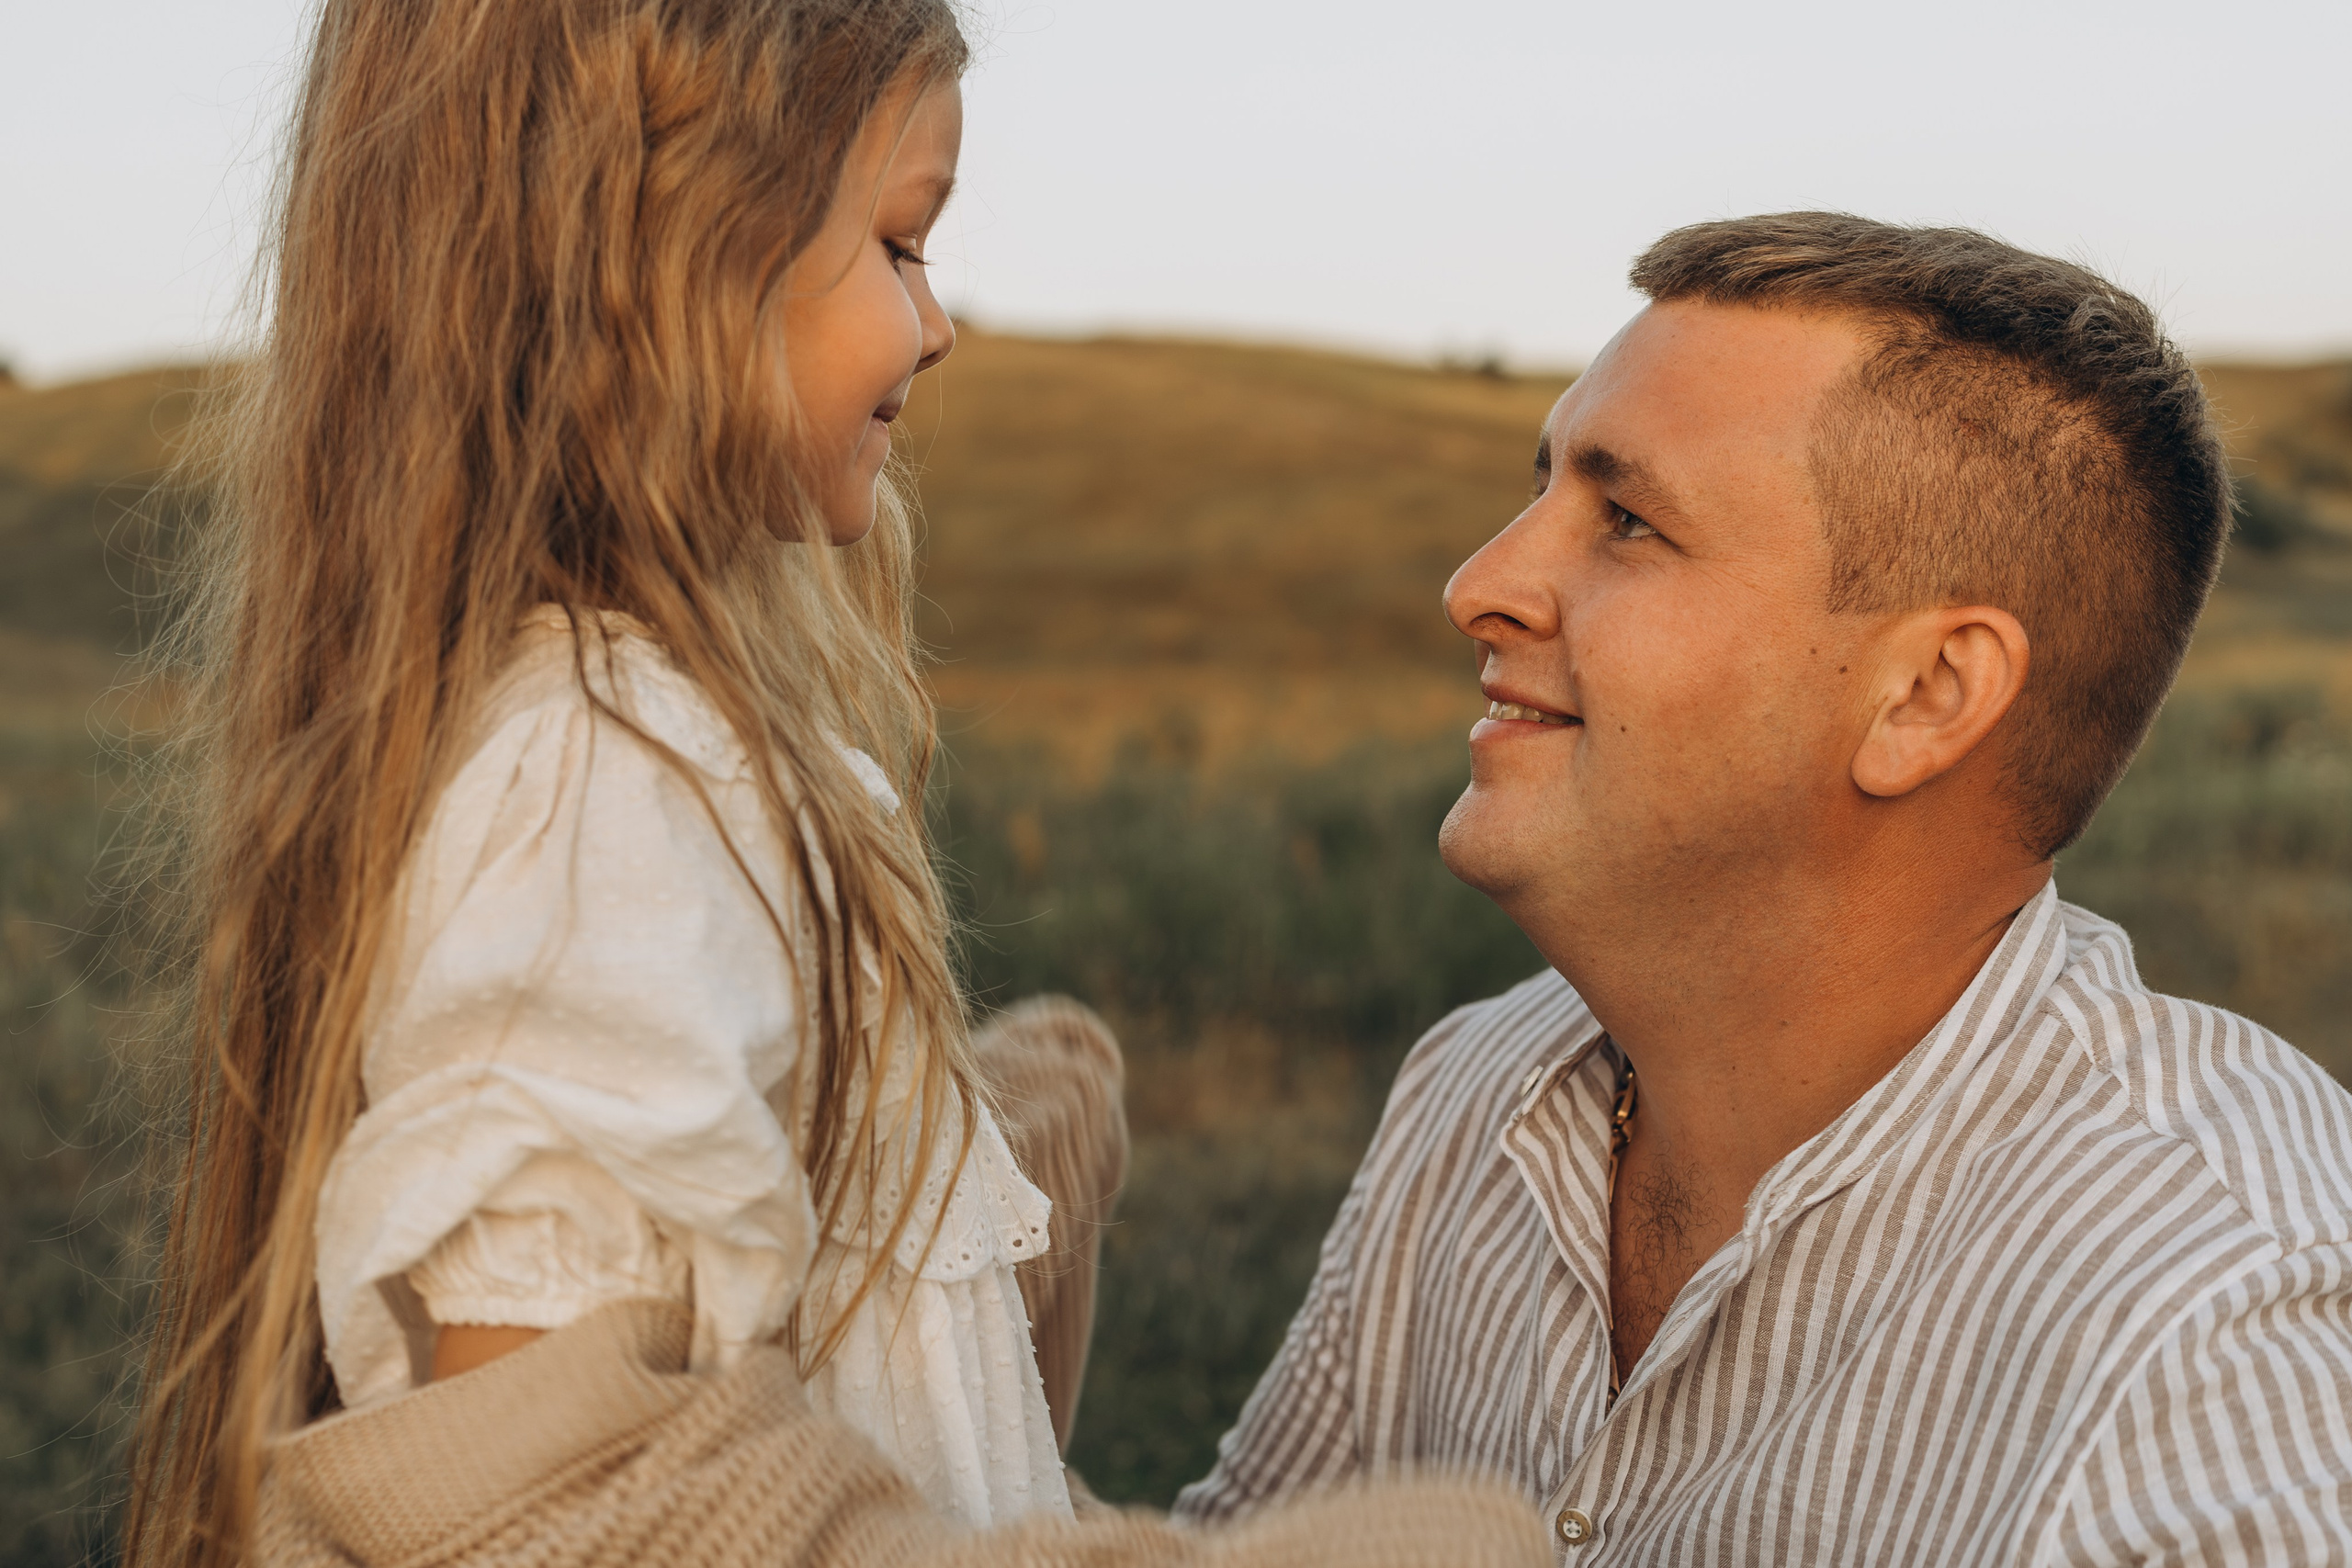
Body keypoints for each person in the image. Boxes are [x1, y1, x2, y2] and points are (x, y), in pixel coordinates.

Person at [119, 6, 1553, 1568]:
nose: (936, 325)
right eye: (897, 243)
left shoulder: (642, 754)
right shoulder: (603, 768)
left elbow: (731, 1326)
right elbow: (554, 1493)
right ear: (664, 251)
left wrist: (967, 1179)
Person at [1177, 213, 2352, 1562]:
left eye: (1626, 520)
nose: (1479, 586)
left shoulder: (2217, 1336)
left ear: (1924, 697)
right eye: (1544, 488)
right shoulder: (1476, 1091)